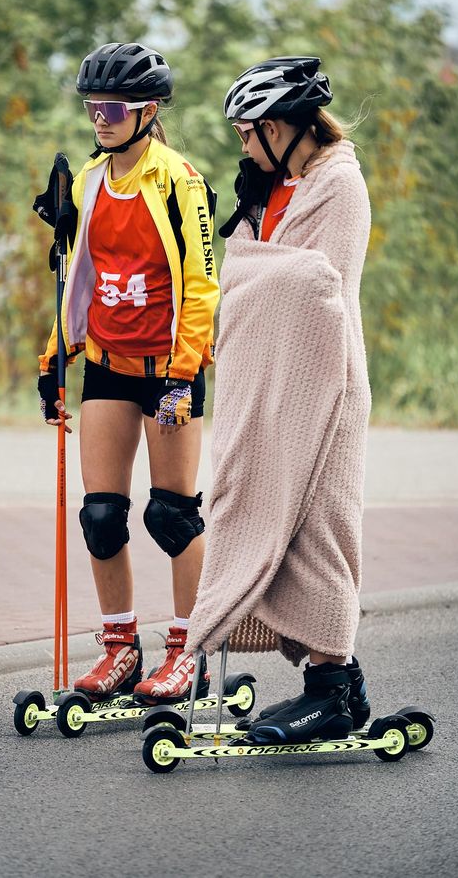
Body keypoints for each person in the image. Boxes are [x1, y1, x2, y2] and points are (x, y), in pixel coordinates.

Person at [186, 56, 372, 744]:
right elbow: (251, 268)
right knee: (278, 523)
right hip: (272, 384)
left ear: (281, 126)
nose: (241, 144)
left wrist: (243, 278)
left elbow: (318, 286)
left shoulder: (341, 186)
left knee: (320, 529)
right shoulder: (277, 187)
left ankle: (330, 685)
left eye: (246, 131)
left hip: (326, 386)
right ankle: (340, 689)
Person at [37, 42, 220, 704]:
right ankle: (120, 648)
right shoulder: (88, 180)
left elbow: (202, 284)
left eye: (110, 108)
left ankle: (188, 651)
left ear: (146, 112)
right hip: (109, 365)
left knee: (171, 516)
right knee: (101, 516)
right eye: (91, 108)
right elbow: (81, 278)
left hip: (169, 369)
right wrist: (56, 355)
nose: (99, 119)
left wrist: (182, 371)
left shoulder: (179, 181)